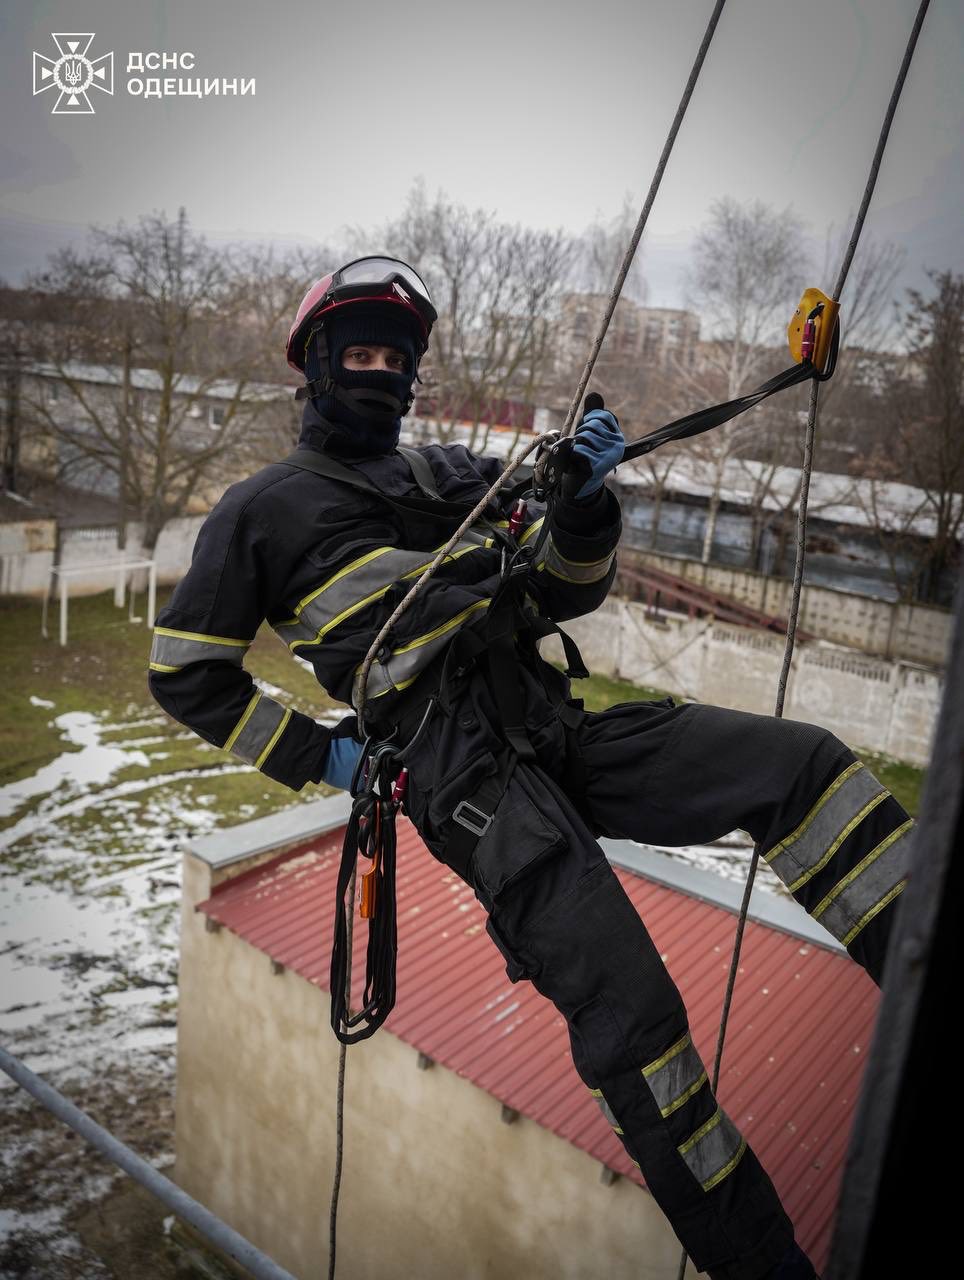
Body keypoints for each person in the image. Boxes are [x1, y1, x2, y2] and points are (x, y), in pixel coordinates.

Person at [149, 256, 913, 1280]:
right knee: (635, 1017)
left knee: (799, 767)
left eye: (395, 354)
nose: (379, 368)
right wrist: (324, 754)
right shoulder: (263, 508)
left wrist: (583, 507)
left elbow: (561, 592)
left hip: (553, 726)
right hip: (465, 782)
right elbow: (185, 674)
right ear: (319, 366)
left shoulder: (453, 475)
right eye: (360, 351)